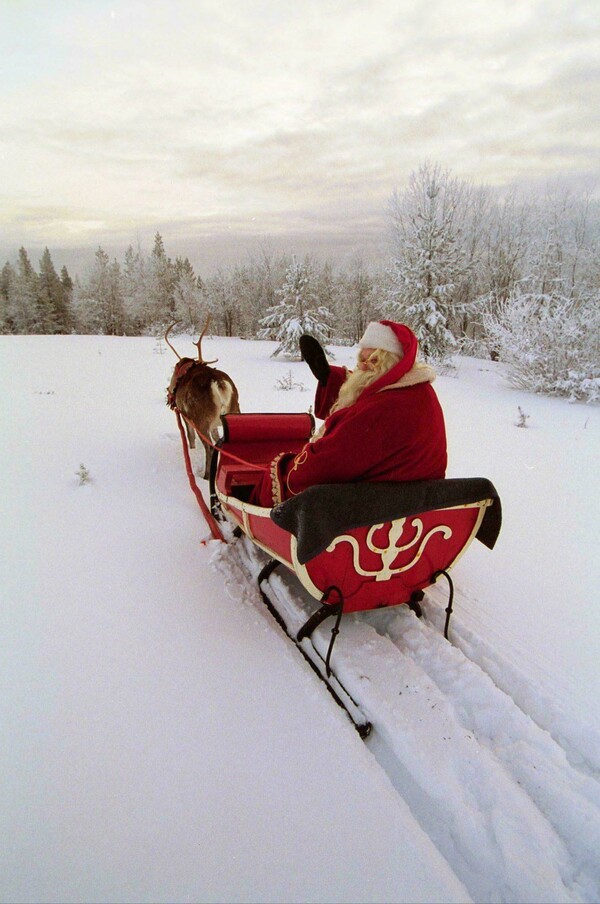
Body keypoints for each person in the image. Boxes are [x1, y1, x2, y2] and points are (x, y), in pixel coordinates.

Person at [250, 320, 447, 508]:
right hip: (412, 499)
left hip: (376, 510)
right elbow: (366, 388)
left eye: (374, 361)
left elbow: (327, 463)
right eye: (362, 359)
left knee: (274, 476)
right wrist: (330, 376)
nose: (362, 366)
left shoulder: (383, 409)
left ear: (394, 363)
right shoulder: (416, 390)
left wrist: (281, 472)